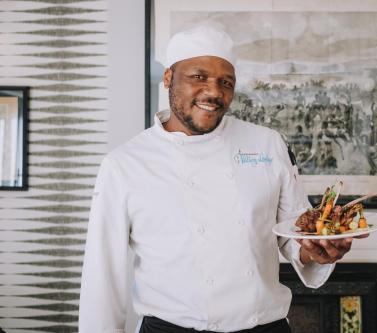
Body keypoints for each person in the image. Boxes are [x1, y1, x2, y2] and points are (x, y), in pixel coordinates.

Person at [78, 25, 359, 333]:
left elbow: (293, 233)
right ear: (169, 78)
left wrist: (316, 250)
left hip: (265, 328)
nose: (214, 92)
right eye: (198, 77)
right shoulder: (124, 165)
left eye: (225, 82)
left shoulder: (267, 144)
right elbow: (102, 276)